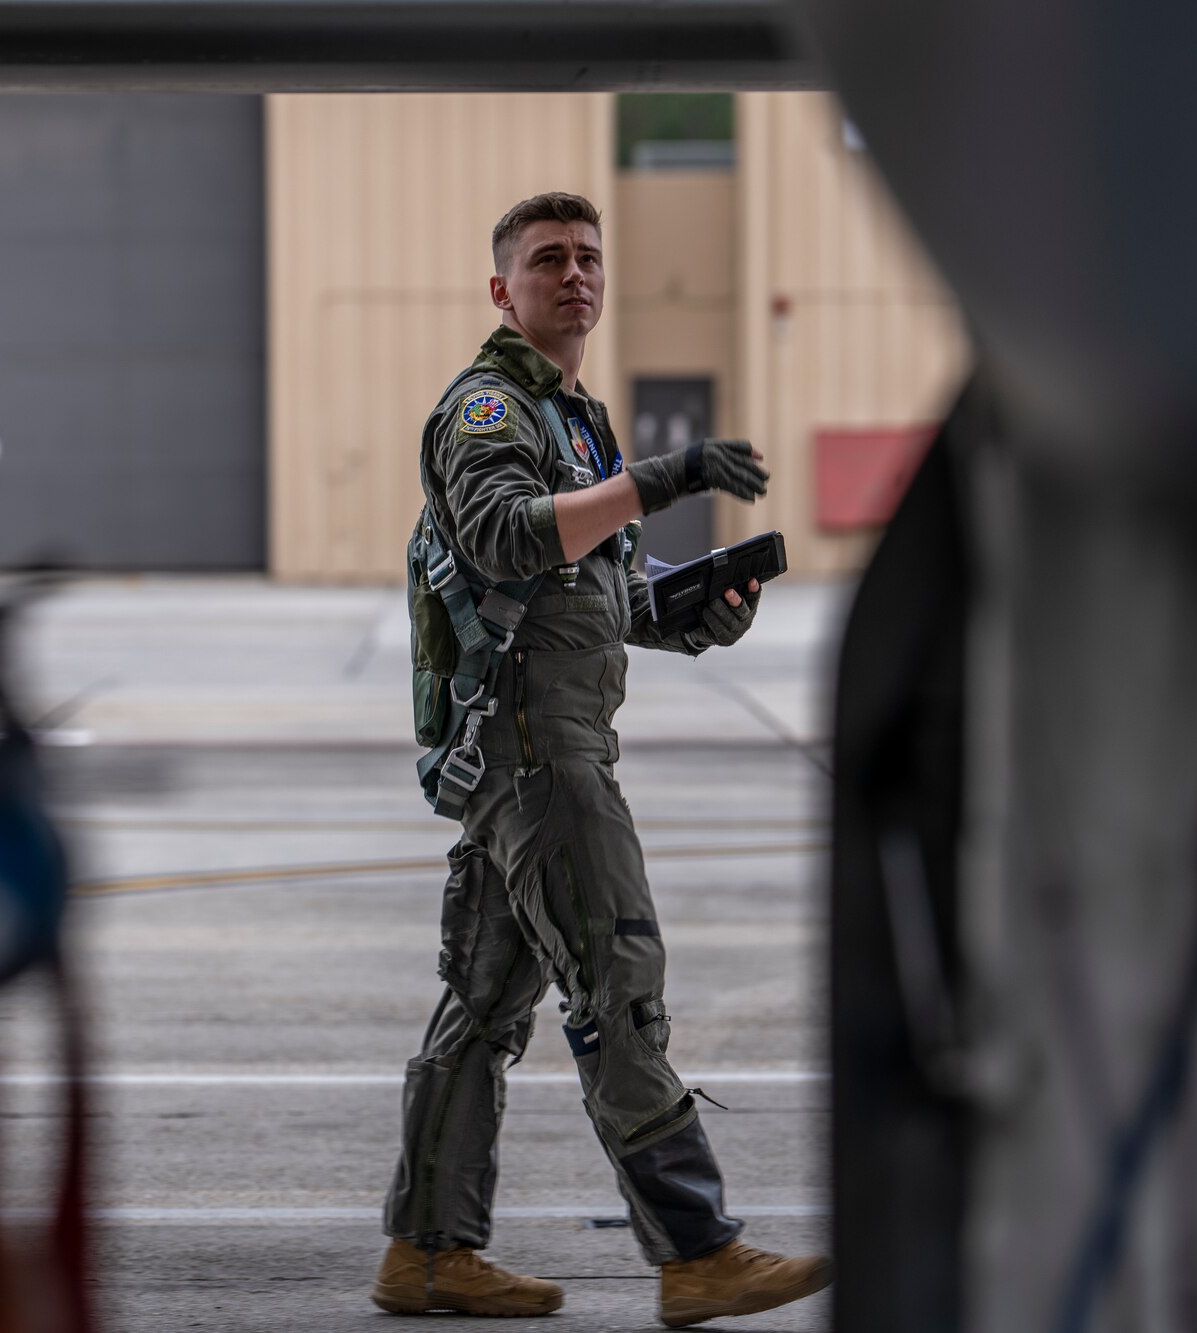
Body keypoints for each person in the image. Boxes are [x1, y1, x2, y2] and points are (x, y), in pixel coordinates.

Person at [373, 192, 833, 1328]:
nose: (573, 275)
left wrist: (695, 612)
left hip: (534, 747)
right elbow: (506, 537)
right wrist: (665, 482)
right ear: (502, 290)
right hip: (538, 755)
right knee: (616, 981)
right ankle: (694, 1250)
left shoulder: (575, 420)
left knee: (479, 1007)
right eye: (546, 261)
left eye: (586, 257)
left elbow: (595, 596)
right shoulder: (489, 408)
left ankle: (426, 1252)